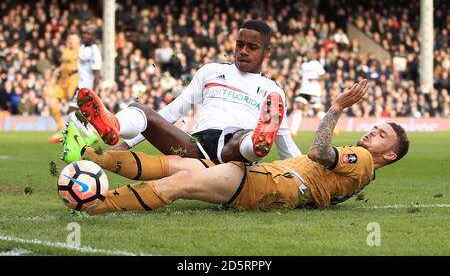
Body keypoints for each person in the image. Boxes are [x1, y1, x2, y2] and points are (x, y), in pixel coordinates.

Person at [66, 79, 409, 214]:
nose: (370, 134)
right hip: (276, 181)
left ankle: (95, 205)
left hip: (274, 184)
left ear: (389, 154)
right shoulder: (361, 171)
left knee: (182, 181)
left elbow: (318, 152)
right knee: (182, 165)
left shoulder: (363, 160)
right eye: (374, 129)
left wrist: (335, 108)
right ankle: (88, 156)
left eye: (380, 135)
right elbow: (315, 167)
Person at [63, 20, 301, 165]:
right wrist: (129, 143)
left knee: (243, 139)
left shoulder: (274, 91)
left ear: (267, 52)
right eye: (240, 45)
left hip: (234, 149)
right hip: (195, 147)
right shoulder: (211, 71)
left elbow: (286, 146)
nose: (243, 51)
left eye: (252, 47)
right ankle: (115, 125)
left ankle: (255, 145)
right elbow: (174, 111)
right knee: (142, 110)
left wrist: (310, 173)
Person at [66, 23, 102, 146]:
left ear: (93, 36)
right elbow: (84, 66)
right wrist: (74, 71)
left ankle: (89, 135)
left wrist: (95, 92)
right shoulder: (82, 47)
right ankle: (73, 135)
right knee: (73, 113)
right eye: (84, 33)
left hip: (86, 87)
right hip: (80, 85)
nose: (86, 35)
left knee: (72, 113)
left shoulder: (94, 51)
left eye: (89, 33)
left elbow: (97, 73)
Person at [48, 33, 80, 143]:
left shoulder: (81, 51)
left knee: (74, 108)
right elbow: (63, 65)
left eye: (73, 39)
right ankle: (61, 128)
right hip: (62, 81)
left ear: (78, 41)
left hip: (73, 80)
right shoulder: (66, 51)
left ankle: (85, 130)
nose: (71, 41)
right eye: (70, 38)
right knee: (52, 102)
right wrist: (58, 71)